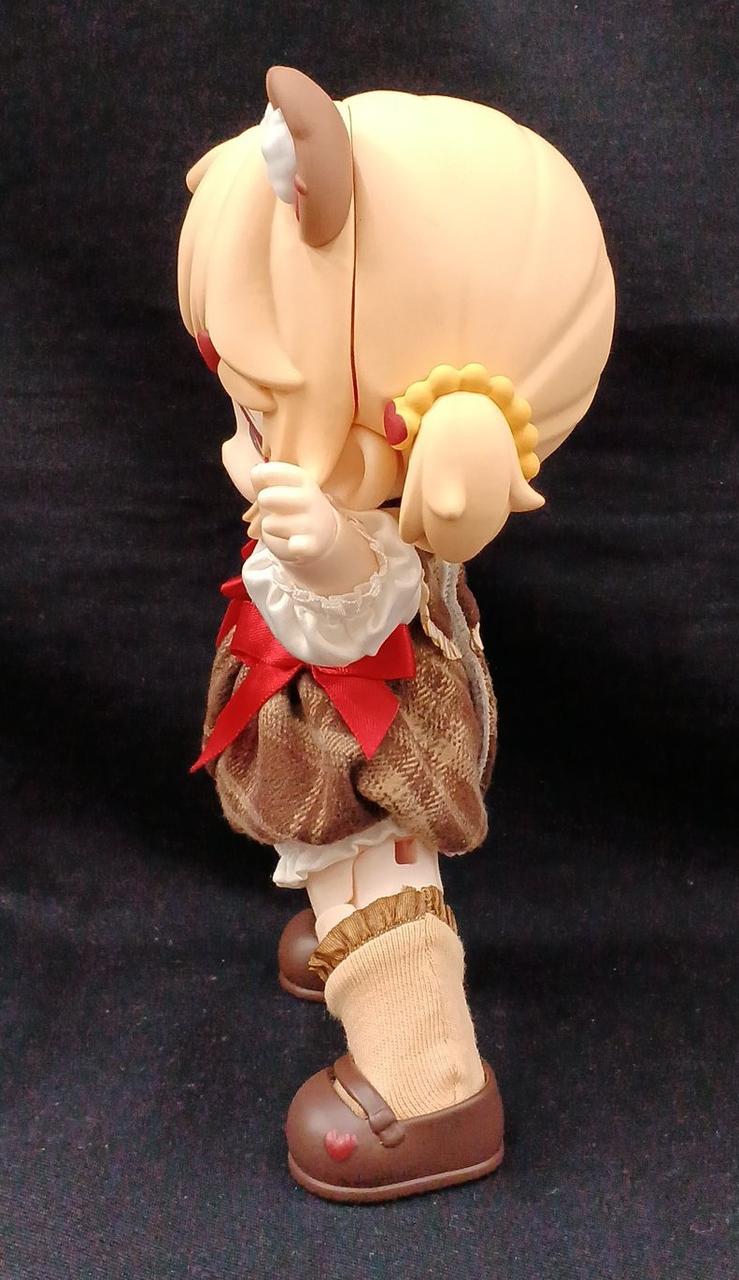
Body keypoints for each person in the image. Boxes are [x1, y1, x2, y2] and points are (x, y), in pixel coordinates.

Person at [177, 66, 615, 1201]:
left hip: (375, 733)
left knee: (376, 870)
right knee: (334, 854)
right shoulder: (348, 494)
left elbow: (369, 607)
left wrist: (328, 550)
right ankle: (343, 928)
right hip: (327, 709)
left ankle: (429, 1083)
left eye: (262, 408)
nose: (245, 439)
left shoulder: (376, 540)